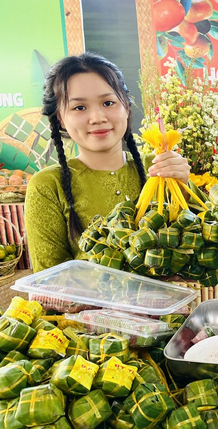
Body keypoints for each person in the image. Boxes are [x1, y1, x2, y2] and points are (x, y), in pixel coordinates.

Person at [25, 52, 191, 272]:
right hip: (86, 308)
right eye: (79, 107)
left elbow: (198, 251)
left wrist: (185, 188)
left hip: (168, 307)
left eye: (108, 102)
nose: (98, 117)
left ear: (126, 107)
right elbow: (50, 281)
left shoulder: (159, 167)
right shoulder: (48, 185)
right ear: (60, 119)